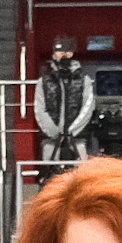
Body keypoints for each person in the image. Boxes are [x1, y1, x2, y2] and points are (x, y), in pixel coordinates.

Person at [36, 38, 90, 167]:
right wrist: (55, 133)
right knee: (51, 173)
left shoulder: (84, 80)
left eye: (64, 51)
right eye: (57, 51)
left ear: (71, 53)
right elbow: (39, 109)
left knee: (81, 174)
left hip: (77, 138)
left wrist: (71, 131)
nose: (60, 55)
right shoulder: (44, 82)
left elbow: (87, 108)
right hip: (51, 139)